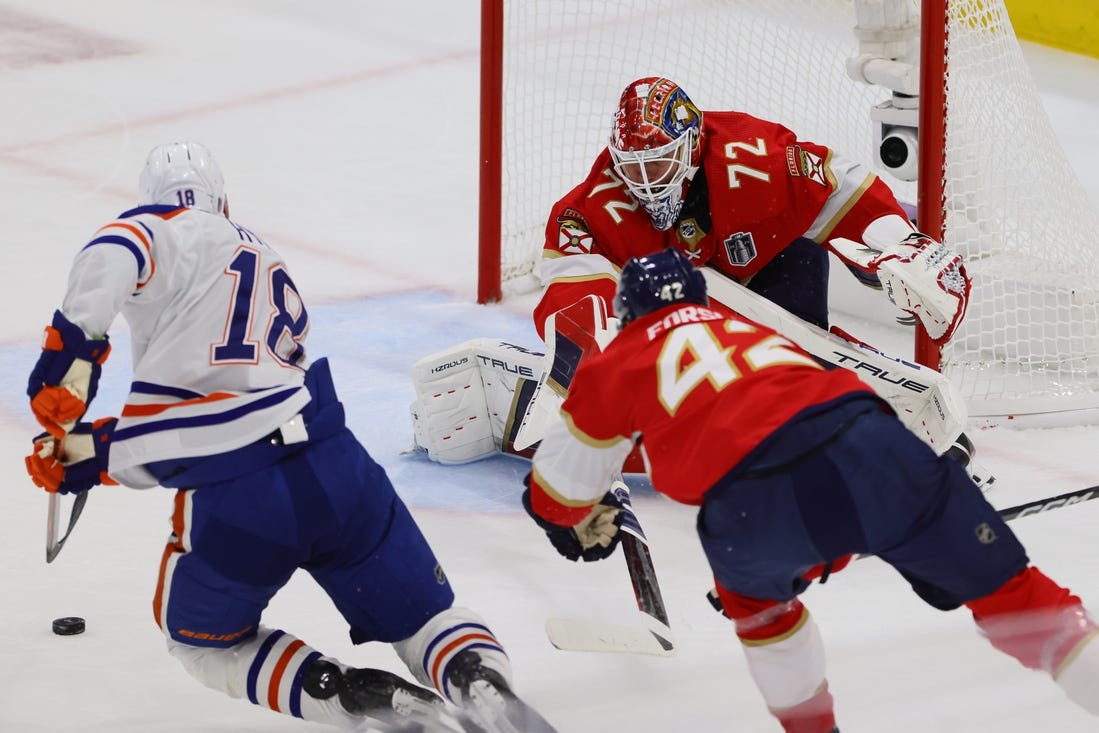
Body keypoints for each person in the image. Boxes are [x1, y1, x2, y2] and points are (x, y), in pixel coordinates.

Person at [23, 141, 556, 733]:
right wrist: (91, 450)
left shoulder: (159, 228)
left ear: (155, 203)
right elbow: (235, 405)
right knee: (426, 619)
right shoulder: (261, 251)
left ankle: (351, 694)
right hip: (336, 464)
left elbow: (213, 429)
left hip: (247, 499)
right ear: (224, 202)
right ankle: (481, 680)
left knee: (201, 643)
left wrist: (72, 362)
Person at [522, 247, 1099, 733]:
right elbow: (820, 457)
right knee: (1021, 602)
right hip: (879, 448)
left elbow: (556, 494)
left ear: (627, 315)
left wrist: (567, 516)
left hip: (750, 510)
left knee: (763, 614)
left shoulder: (619, 360)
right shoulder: (747, 332)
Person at [410, 75, 987, 488]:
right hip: (681, 328)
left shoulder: (750, 156)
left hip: (766, 290)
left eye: (658, 164)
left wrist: (902, 244)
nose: (645, 183)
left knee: (798, 268)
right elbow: (572, 299)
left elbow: (844, 188)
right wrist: (580, 372)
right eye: (632, 169)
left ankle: (838, 408)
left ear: (690, 144)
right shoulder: (589, 211)